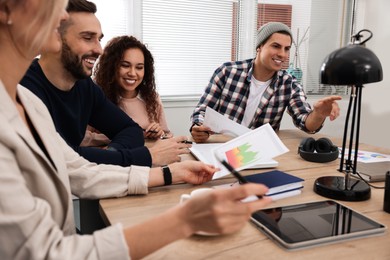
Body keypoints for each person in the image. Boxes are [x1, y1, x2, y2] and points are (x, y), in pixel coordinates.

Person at [0, 0, 273, 259]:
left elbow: (79, 170)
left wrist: (168, 174)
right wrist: (183, 219)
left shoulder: (28, 103)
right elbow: (46, 253)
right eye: (87, 37)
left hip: (70, 233)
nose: (60, 15)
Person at [20, 0, 186, 167]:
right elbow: (62, 156)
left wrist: (111, 155)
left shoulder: (85, 86)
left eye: (99, 39)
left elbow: (131, 130)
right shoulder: (23, 88)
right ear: (53, 37)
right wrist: (147, 157)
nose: (99, 49)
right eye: (87, 38)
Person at [190, 22, 342, 143]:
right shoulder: (227, 72)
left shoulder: (289, 84)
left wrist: (318, 114)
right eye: (276, 46)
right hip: (220, 146)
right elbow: (202, 110)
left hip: (257, 151)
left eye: (287, 48)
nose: (282, 54)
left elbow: (306, 123)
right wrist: (198, 127)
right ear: (259, 47)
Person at [82, 35, 172, 147]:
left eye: (139, 67)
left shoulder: (153, 98)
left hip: (148, 156)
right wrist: (125, 135)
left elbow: (168, 135)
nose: (133, 73)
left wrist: (160, 133)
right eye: (125, 65)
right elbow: (81, 138)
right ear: (111, 66)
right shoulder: (97, 97)